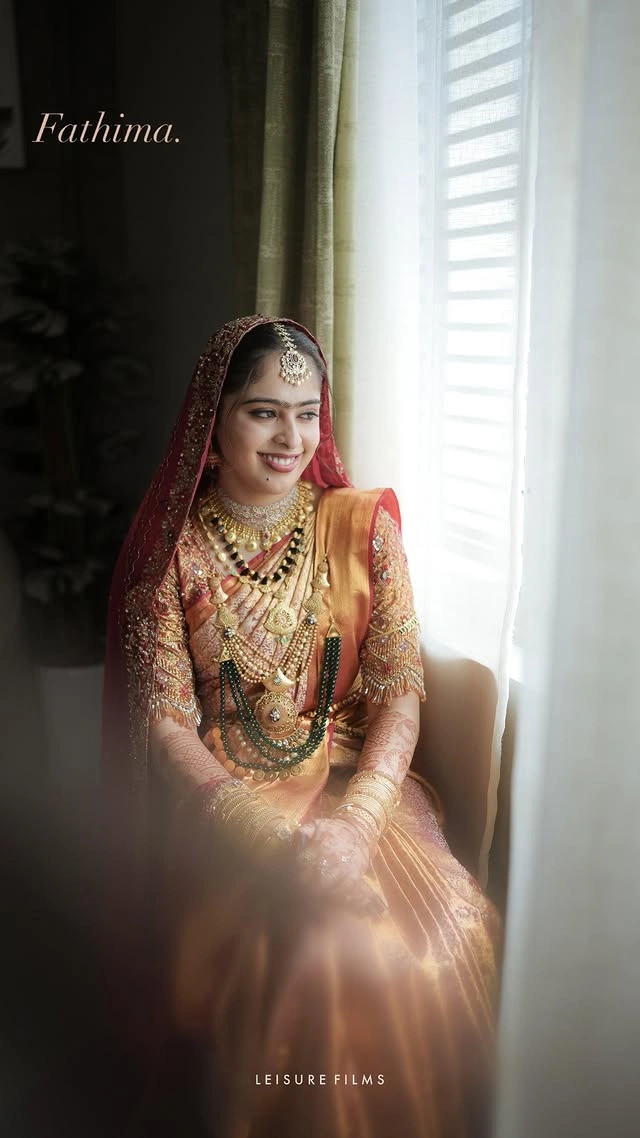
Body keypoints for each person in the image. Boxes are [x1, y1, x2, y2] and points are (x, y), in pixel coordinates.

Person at [103, 315, 500, 1138]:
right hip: (229, 794)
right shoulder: (168, 555)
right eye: (263, 411)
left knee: (439, 934)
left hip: (363, 786)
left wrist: (354, 828)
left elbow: (398, 694)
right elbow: (170, 726)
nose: (291, 436)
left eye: (308, 411)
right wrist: (272, 839)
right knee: (312, 954)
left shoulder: (363, 528)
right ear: (213, 423)